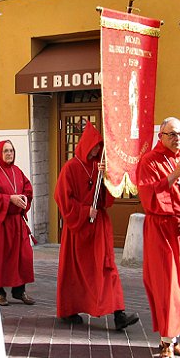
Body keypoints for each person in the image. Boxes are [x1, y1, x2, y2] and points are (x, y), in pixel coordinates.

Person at [54, 121, 139, 330]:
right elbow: (62, 198)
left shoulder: (99, 167)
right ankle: (70, 310)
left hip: (98, 228)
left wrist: (107, 177)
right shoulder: (70, 168)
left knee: (107, 269)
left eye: (99, 146)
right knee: (75, 273)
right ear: (85, 145)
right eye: (94, 146)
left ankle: (119, 314)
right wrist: (84, 211)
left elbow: (109, 200)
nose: (97, 150)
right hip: (78, 230)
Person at [136, 117, 180, 358]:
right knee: (168, 287)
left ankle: (177, 337)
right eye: (172, 134)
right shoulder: (149, 161)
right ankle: (166, 341)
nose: (177, 139)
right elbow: (147, 195)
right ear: (160, 136)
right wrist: (173, 176)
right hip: (162, 232)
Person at [0, 140, 35, 306]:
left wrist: (24, 198)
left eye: (11, 150)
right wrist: (9, 199)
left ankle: (19, 291)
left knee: (22, 256)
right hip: (0, 223)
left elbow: (28, 188)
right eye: (5, 151)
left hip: (16, 222)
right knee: (0, 258)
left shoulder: (17, 170)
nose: (9, 154)